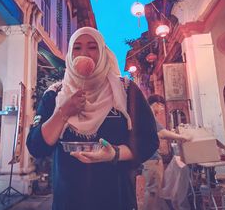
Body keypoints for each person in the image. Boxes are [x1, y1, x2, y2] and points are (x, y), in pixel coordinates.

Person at [27, 27, 159, 210]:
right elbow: (36, 146)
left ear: (103, 52)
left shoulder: (126, 91)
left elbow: (149, 140)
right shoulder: (55, 94)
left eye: (92, 47)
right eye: (77, 48)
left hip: (117, 199)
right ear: (70, 55)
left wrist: (115, 153)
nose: (84, 54)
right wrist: (63, 112)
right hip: (68, 200)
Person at [141, 96, 191, 210]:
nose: (162, 109)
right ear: (156, 104)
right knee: (153, 190)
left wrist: (173, 134)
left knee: (155, 190)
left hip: (150, 157)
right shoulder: (149, 115)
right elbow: (162, 133)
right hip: (151, 158)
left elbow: (157, 134)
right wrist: (182, 137)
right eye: (162, 106)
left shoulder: (145, 116)